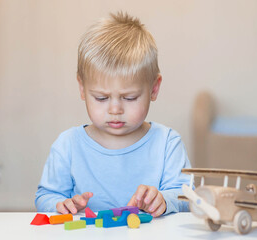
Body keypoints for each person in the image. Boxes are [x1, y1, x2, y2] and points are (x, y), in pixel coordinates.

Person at [35, 12, 191, 217]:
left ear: (154, 89)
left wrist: (164, 200)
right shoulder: (68, 145)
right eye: (101, 98)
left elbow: (187, 198)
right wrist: (62, 205)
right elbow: (45, 196)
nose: (115, 109)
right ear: (82, 88)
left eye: (130, 98)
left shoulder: (167, 143)